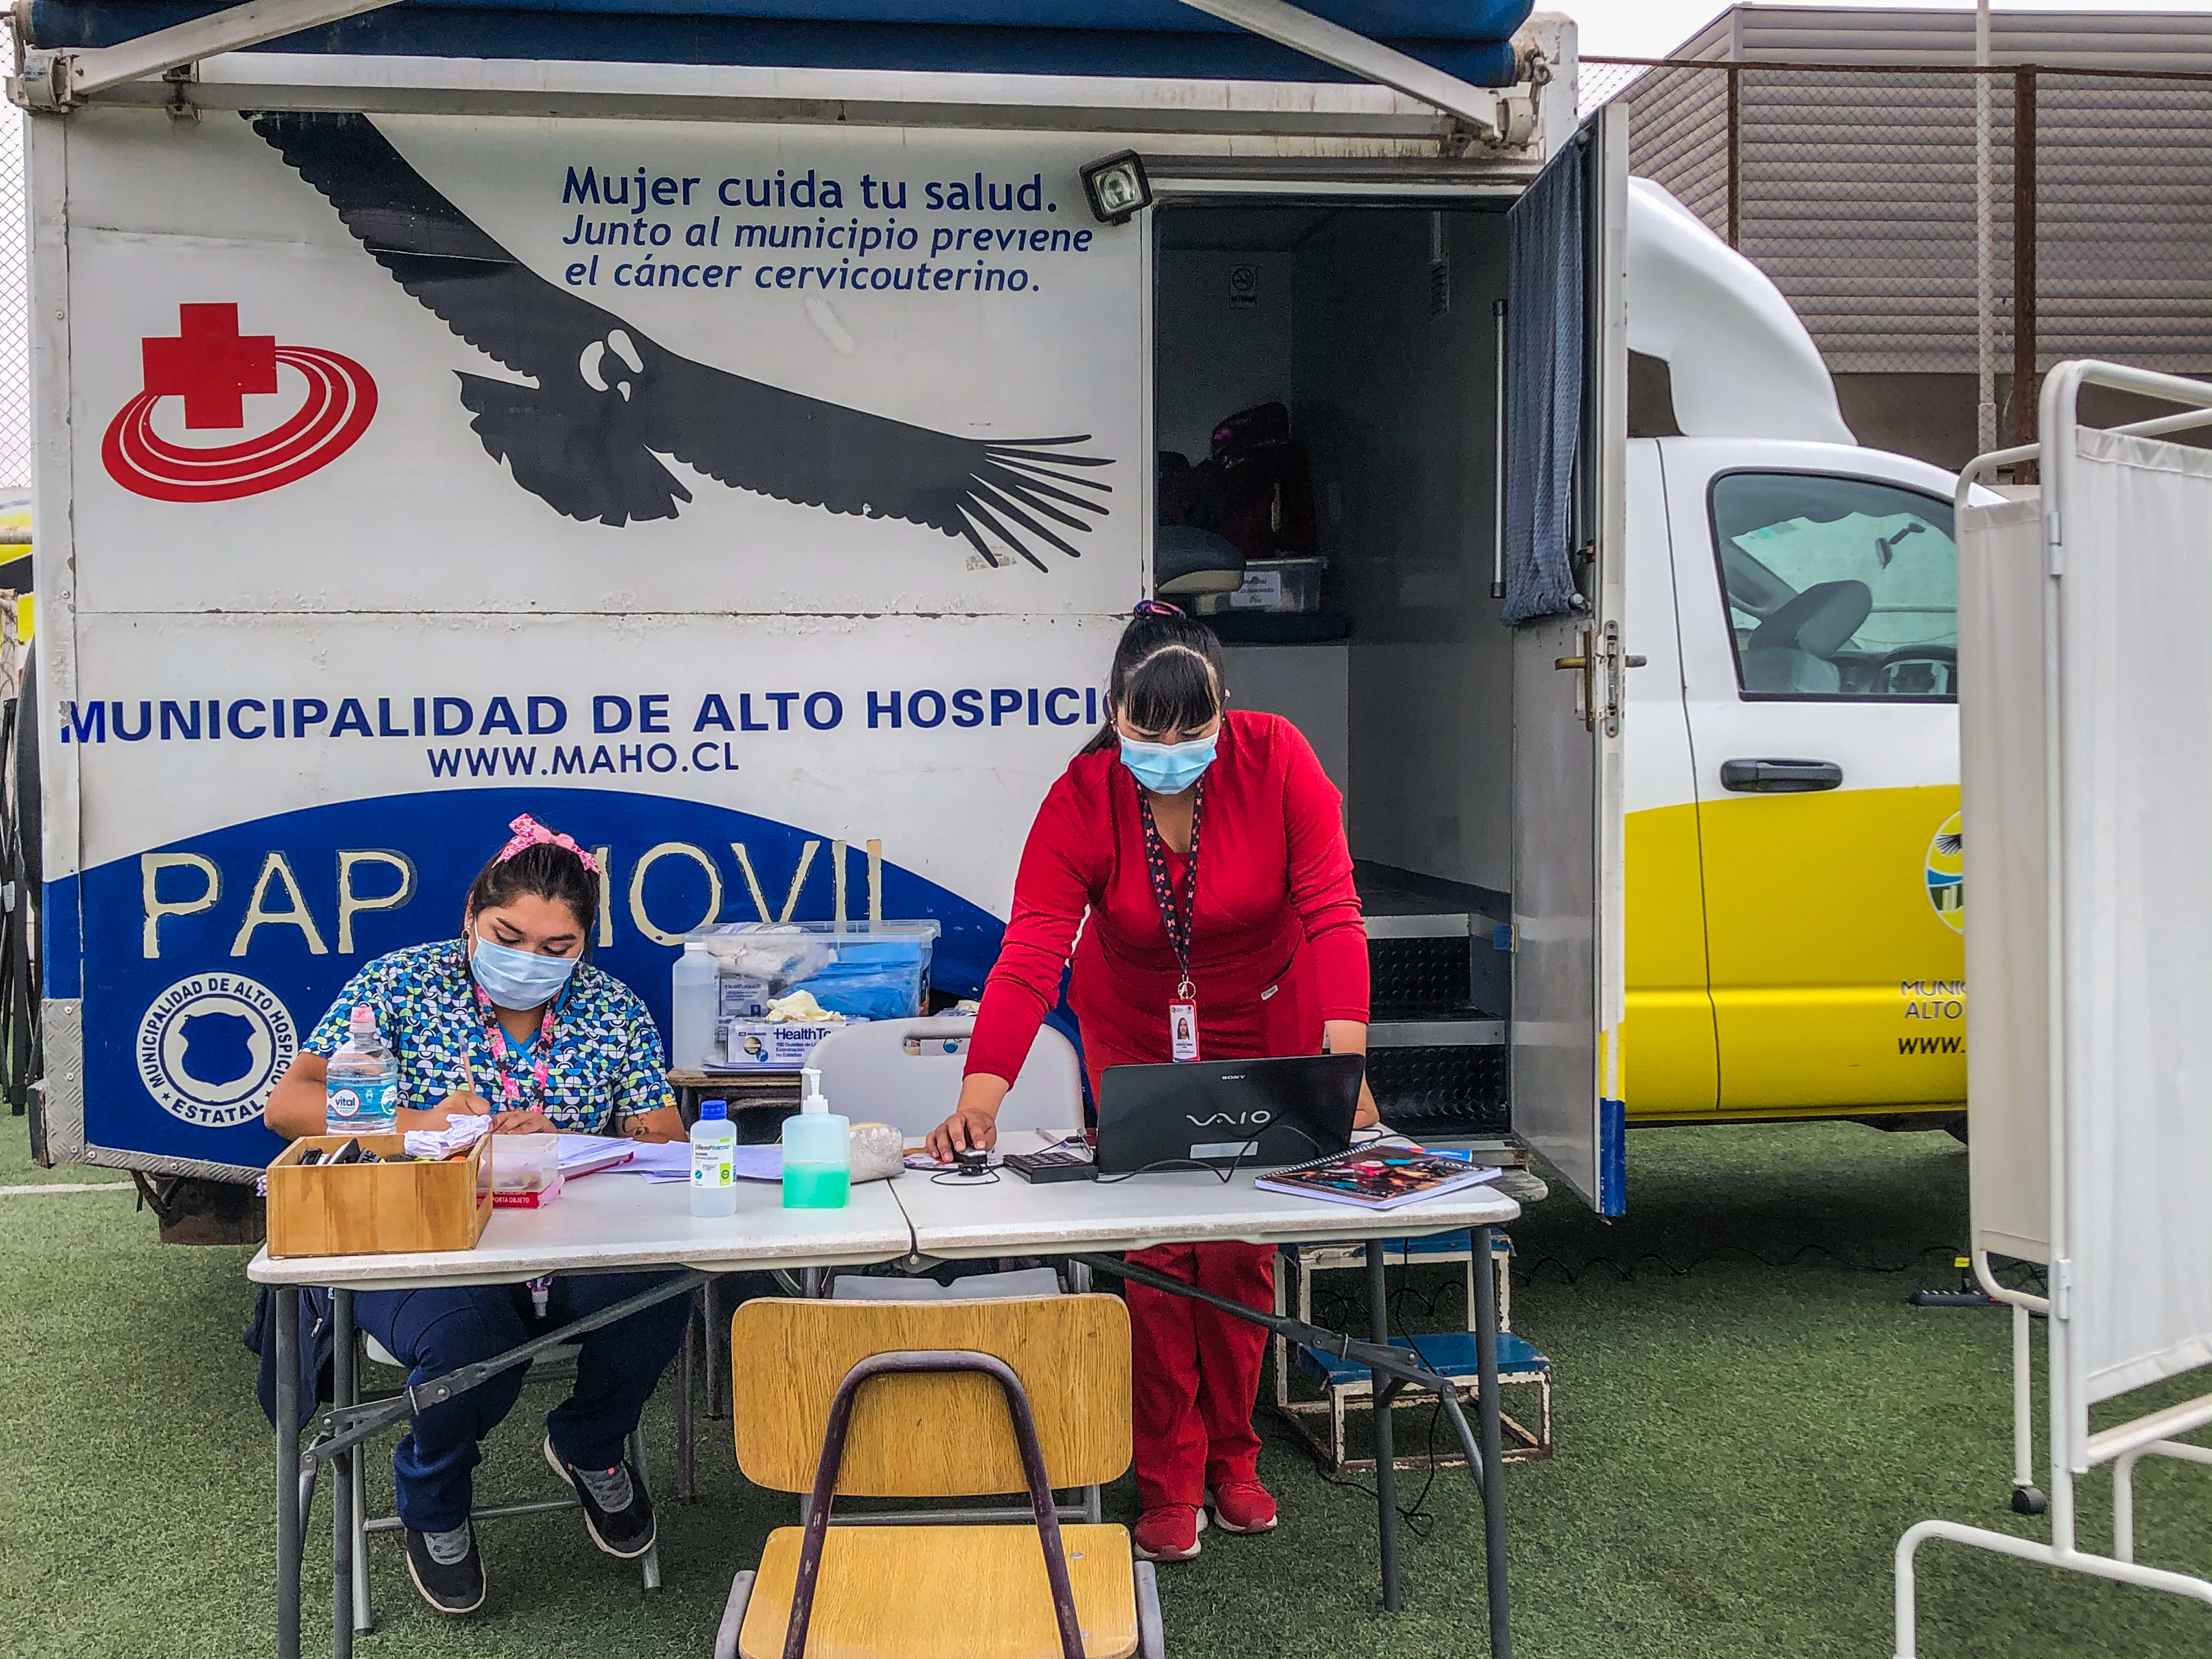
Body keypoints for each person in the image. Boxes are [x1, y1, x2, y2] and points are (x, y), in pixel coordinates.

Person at [926, 602, 1375, 1563]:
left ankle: (1236, 1460)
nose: (1170, 747)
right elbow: (1032, 953)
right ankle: (1168, 1476)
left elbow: (1334, 910)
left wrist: (1346, 1059)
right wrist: (981, 1094)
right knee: (1159, 1255)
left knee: (1238, 1246)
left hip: (1267, 1017)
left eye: (1193, 729)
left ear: (1224, 707)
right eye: (1146, 729)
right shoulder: (1081, 795)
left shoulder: (1279, 758)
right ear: (1112, 710)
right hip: (1135, 1028)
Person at [262, 813, 691, 1617]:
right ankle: (433, 1489)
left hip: (573, 1237)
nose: (531, 960)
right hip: (421, 1236)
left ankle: (589, 1445)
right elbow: (289, 1104)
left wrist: (565, 1136)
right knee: (472, 1340)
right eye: (508, 935)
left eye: (557, 948)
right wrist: (415, 1124)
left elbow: (663, 1139)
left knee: (661, 1284)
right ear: (470, 914)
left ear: (584, 948)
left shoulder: (611, 1008)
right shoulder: (400, 985)